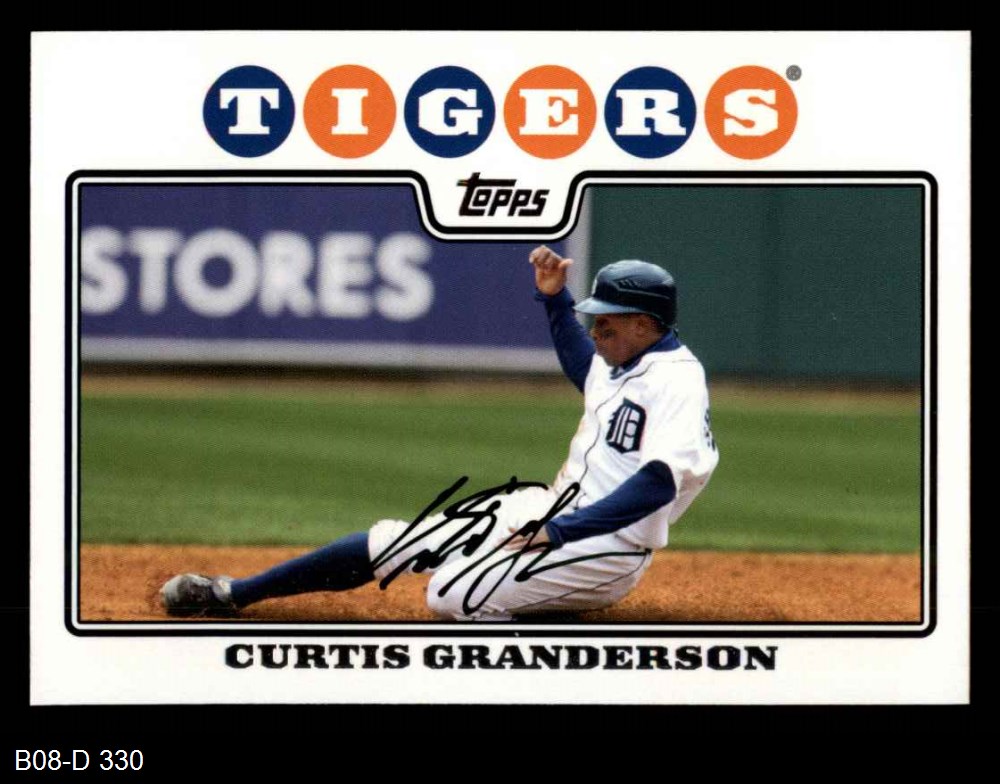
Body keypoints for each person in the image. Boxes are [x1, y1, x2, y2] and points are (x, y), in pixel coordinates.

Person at [160, 245, 719, 621]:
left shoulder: (676, 380)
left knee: (453, 592)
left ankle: (549, 642)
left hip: (607, 547)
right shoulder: (625, 362)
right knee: (395, 543)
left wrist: (558, 532)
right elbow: (586, 370)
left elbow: (657, 485)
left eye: (607, 322)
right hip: (553, 511)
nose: (595, 330)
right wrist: (554, 299)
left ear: (644, 325)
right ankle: (232, 593)